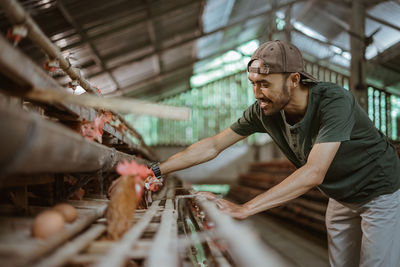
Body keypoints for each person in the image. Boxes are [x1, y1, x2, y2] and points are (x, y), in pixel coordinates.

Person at [115, 40, 400, 267]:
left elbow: (314, 172)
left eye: (264, 84)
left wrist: (245, 208)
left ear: (294, 80)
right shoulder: (265, 111)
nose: (256, 93)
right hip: (340, 194)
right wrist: (154, 170)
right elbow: (213, 145)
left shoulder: (334, 101)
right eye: (253, 83)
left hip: (379, 191)